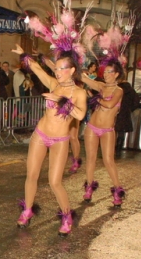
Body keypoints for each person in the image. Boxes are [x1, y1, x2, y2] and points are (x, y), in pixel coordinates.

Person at [12, 45, 87, 236]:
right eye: (57, 68)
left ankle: (67, 215)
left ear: (71, 70)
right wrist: (24, 54)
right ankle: (27, 210)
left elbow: (79, 115)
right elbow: (37, 69)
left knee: (55, 182)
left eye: (62, 68)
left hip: (60, 139)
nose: (58, 71)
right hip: (41, 134)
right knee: (32, 175)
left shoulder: (79, 93)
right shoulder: (54, 84)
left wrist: (61, 100)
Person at [80, 61, 126, 207]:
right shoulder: (101, 86)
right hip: (92, 127)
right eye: (104, 72)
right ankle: (89, 188)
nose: (105, 75)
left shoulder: (118, 90)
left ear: (116, 74)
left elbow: (110, 104)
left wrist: (94, 97)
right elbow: (84, 79)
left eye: (109, 72)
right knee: (91, 158)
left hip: (107, 130)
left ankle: (118, 192)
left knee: (108, 160)